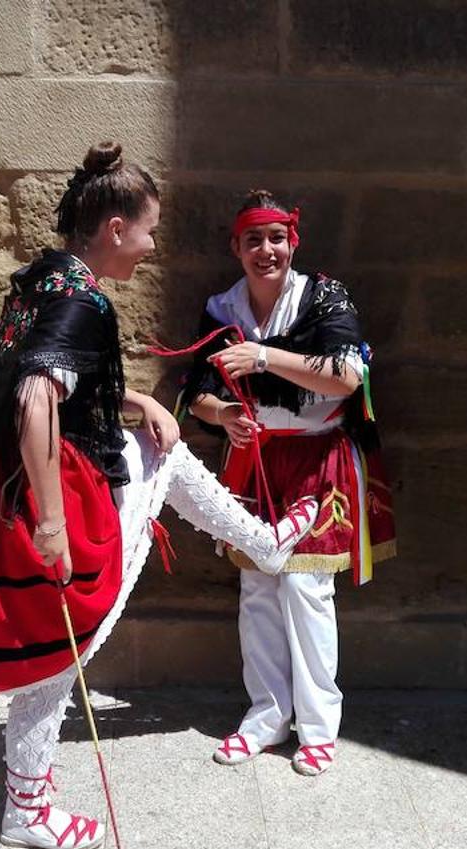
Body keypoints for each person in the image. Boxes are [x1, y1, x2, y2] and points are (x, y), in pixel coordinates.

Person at [0, 145, 319, 849]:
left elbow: (48, 376)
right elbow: (35, 400)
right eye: (148, 230)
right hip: (30, 490)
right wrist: (51, 523)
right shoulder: (81, 302)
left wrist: (137, 401)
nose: (151, 244)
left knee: (162, 461)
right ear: (114, 228)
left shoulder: (49, 274)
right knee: (55, 654)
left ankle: (264, 541)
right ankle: (27, 810)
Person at [182, 190, 396, 777]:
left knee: (306, 592)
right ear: (236, 247)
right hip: (254, 463)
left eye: (276, 238)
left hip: (317, 458)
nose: (265, 250)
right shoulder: (221, 307)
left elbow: (349, 376)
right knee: (256, 589)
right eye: (253, 240)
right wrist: (221, 415)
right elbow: (193, 393)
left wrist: (263, 358)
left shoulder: (324, 295)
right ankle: (267, 717)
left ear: (292, 243)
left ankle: (319, 728)